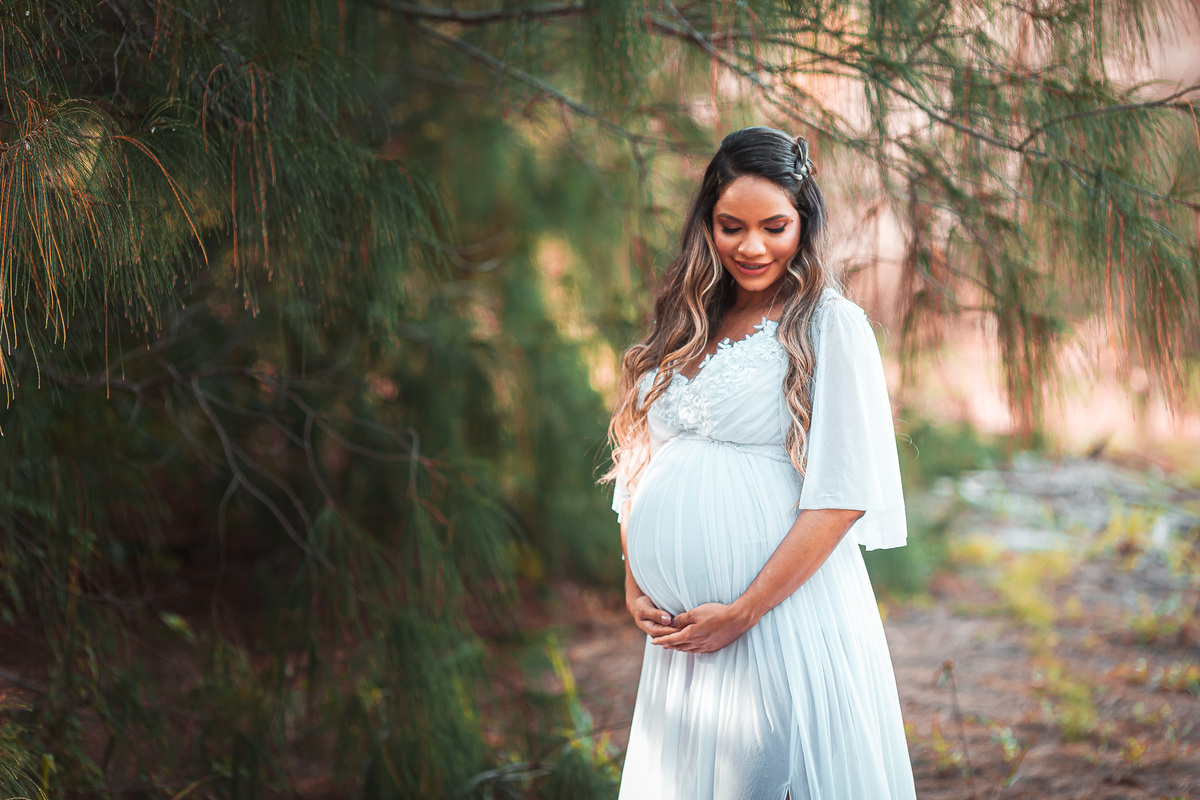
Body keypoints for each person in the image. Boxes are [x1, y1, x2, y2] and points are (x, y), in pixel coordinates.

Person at [604, 126, 917, 799]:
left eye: (774, 226)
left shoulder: (830, 326)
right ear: (706, 225)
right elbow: (639, 461)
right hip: (682, 643)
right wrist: (636, 585)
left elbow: (842, 493)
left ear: (804, 222)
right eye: (730, 226)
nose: (751, 246)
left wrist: (743, 611)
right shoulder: (684, 322)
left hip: (777, 621)